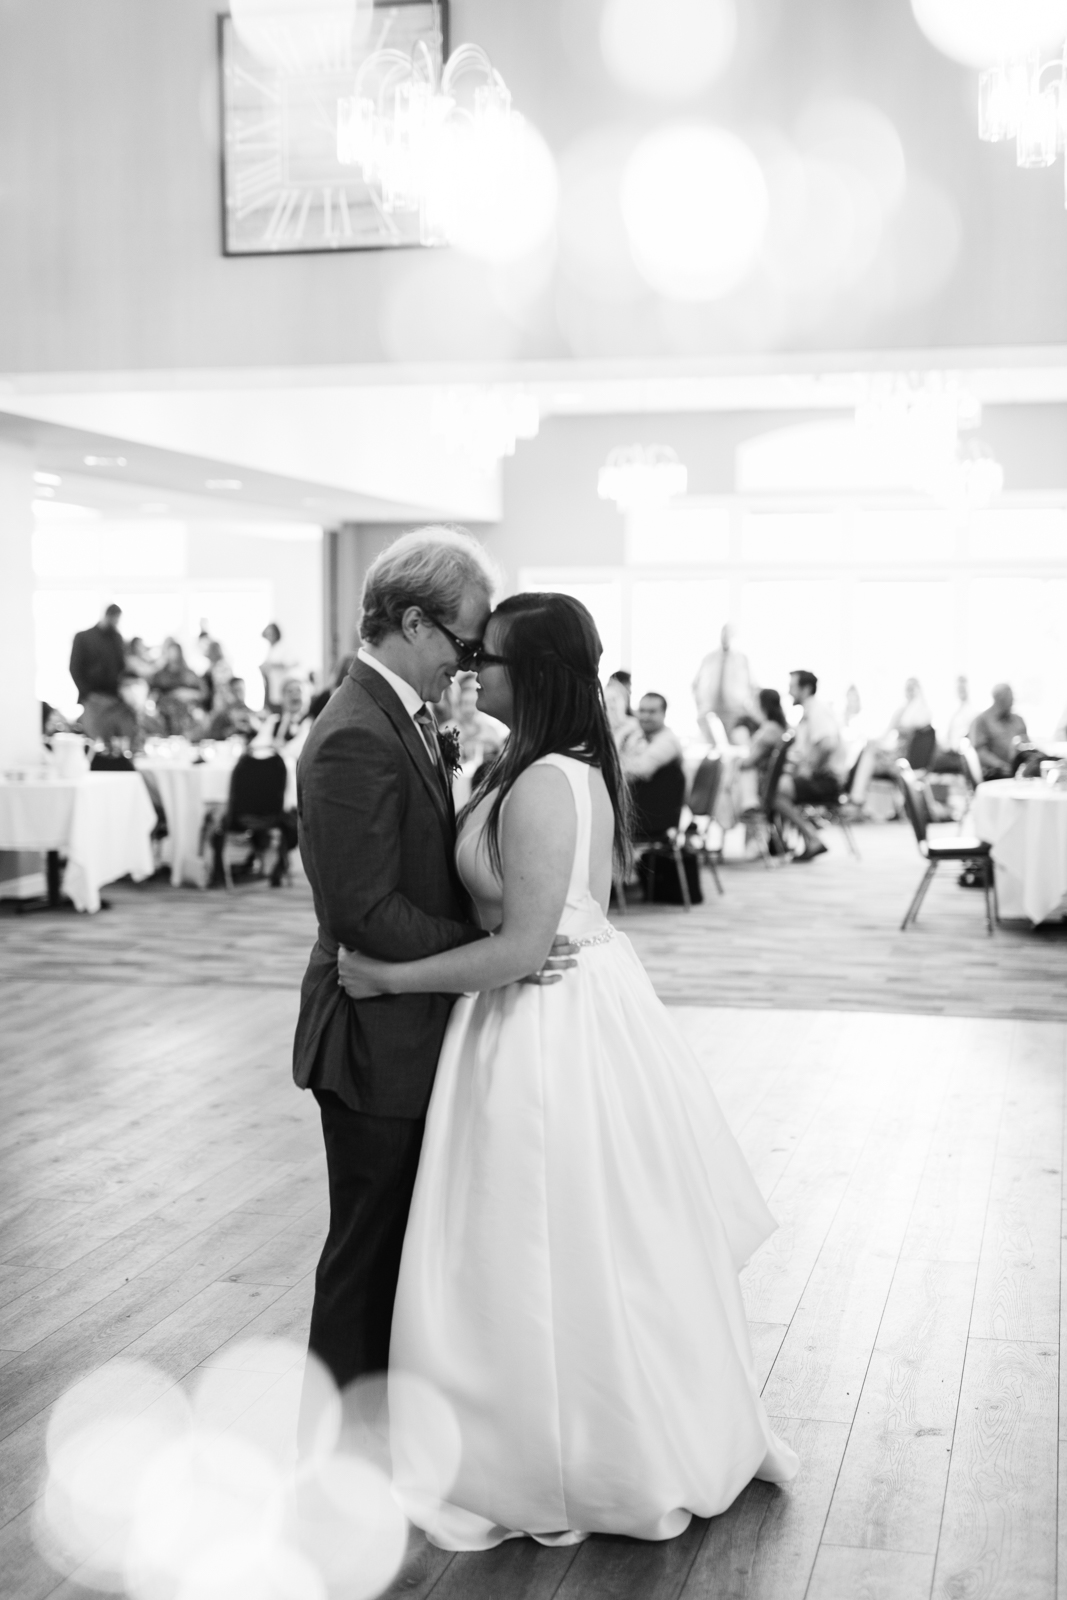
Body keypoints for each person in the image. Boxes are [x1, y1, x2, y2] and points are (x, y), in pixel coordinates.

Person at [335, 591, 799, 1549]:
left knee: (542, 1239)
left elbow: (519, 951)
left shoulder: (547, 780)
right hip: (563, 1010)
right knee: (571, 1237)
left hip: (544, 1025)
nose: (475, 671)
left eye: (491, 659)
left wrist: (388, 975)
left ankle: (568, 1452)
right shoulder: (544, 761)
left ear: (532, 673)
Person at [292, 528, 572, 1406]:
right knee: (365, 1254)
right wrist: (492, 952)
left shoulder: (405, 717)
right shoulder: (351, 734)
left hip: (412, 1021)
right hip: (373, 1033)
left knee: (401, 1246)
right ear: (413, 623)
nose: (472, 663)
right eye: (463, 642)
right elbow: (361, 913)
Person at [772, 669, 847, 862]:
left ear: (805, 689)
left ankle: (812, 837)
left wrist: (809, 770)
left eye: (792, 687)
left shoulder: (817, 711)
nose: (789, 693)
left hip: (826, 780)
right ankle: (801, 838)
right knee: (776, 786)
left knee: (774, 791)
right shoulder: (809, 712)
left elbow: (827, 744)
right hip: (821, 777)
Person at [68, 603, 126, 740]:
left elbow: (121, 667)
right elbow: (74, 668)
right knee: (94, 738)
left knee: (111, 739)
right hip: (92, 698)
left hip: (113, 699)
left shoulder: (116, 639)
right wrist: (87, 693)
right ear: (107, 616)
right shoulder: (84, 637)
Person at [692, 623, 757, 738]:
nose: (725, 637)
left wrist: (747, 706)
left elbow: (752, 685)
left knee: (733, 741)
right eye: (724, 633)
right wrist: (700, 705)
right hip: (711, 708)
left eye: (729, 633)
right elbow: (695, 684)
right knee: (712, 742)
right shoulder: (709, 658)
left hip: (734, 710)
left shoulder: (742, 658)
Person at [620, 692, 684, 780]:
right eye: (642, 711)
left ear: (664, 713)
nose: (645, 717)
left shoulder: (668, 741)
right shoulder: (637, 734)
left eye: (652, 712)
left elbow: (641, 770)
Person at [971, 683, 1029, 778]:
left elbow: (1027, 745)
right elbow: (980, 751)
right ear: (998, 699)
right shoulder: (982, 720)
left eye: (1012, 696)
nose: (1012, 700)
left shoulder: (1018, 720)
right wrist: (1000, 765)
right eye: (1008, 696)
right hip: (995, 772)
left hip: (1020, 770)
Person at [149, 639, 205, 738]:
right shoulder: (160, 674)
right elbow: (153, 693)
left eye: (175, 651)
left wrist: (186, 693)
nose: (173, 655)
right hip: (166, 712)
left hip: (187, 712)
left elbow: (202, 692)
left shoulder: (189, 674)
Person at [604, 670, 642, 762]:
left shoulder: (608, 692)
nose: (630, 689)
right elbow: (618, 720)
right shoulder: (614, 694)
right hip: (611, 737)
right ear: (625, 682)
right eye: (630, 684)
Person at [204, 677, 258, 741]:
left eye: (242, 690)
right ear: (230, 692)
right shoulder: (222, 715)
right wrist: (234, 729)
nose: (240, 694)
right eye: (236, 690)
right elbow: (212, 736)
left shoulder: (252, 714)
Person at [261, 622, 298, 713]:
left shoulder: (283, 647)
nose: (270, 636)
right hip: (271, 686)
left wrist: (272, 665)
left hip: (281, 683)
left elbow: (290, 663)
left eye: (271, 634)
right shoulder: (271, 649)